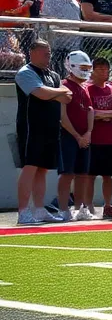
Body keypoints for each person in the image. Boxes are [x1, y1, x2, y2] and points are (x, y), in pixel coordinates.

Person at [15, 40, 72, 224]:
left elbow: (68, 96)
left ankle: (39, 210)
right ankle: (23, 211)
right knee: (30, 167)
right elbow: (40, 93)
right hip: (32, 128)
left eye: (49, 53)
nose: (49, 56)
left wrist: (53, 92)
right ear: (32, 52)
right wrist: (56, 92)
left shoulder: (53, 75)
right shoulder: (25, 73)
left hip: (51, 129)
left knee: (43, 170)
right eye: (45, 53)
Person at [85, 57, 112, 219]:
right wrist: (98, 115)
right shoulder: (87, 88)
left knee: (107, 175)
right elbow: (87, 113)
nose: (103, 72)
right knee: (90, 175)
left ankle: (107, 206)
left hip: (109, 139)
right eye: (99, 69)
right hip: (93, 138)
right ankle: (88, 206)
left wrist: (107, 114)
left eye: (105, 69)